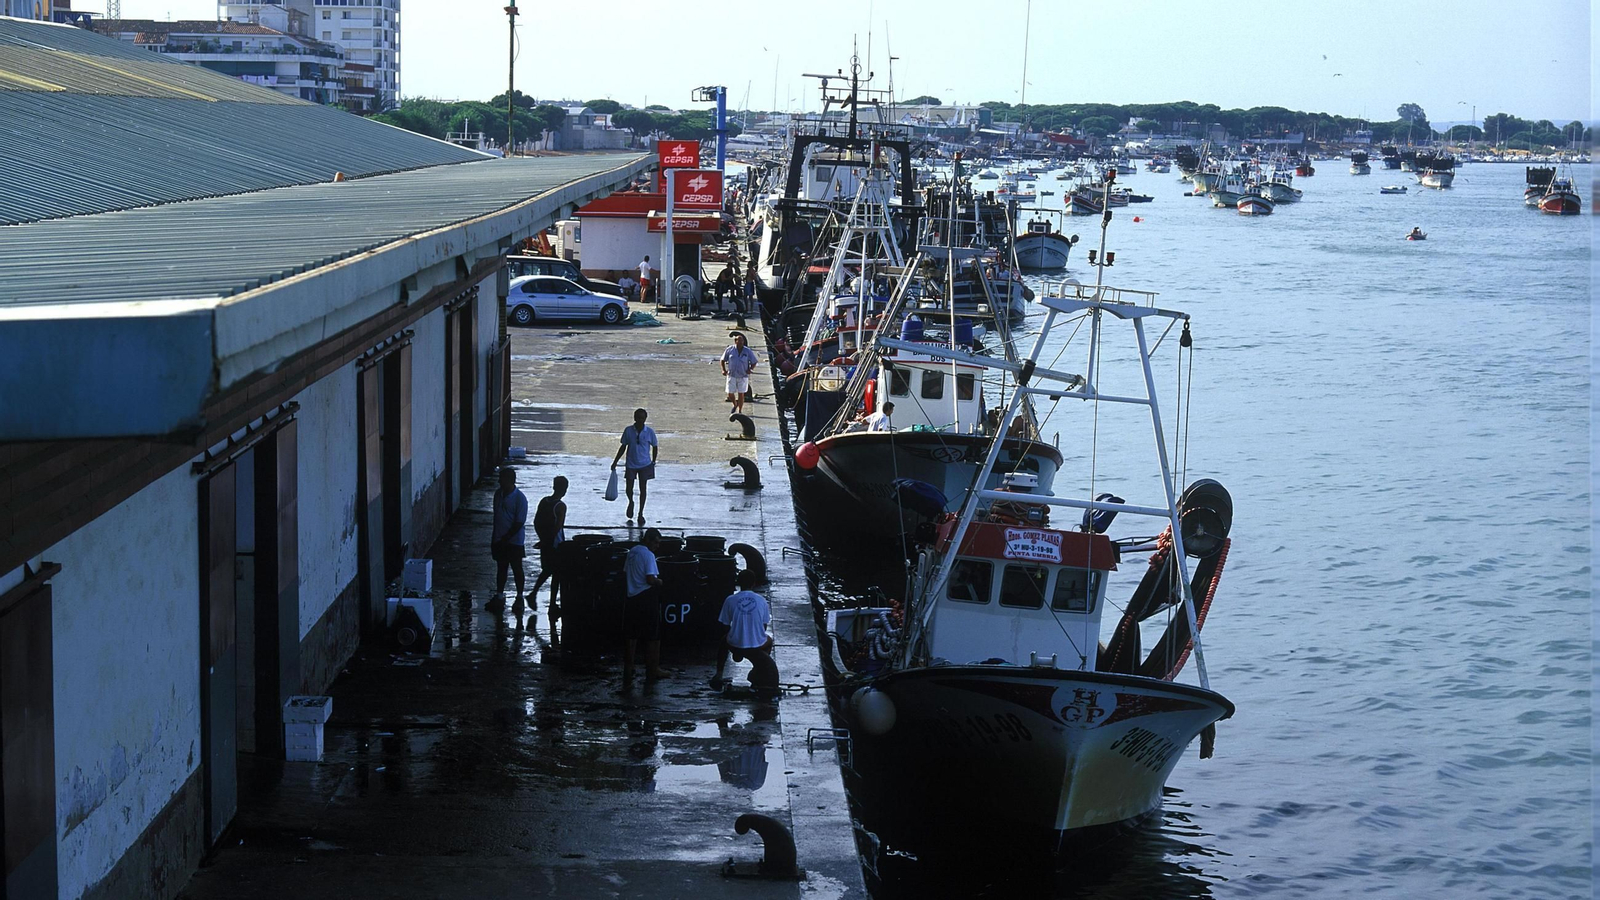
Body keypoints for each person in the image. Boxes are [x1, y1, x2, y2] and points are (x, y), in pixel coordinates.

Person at [712, 570, 778, 697]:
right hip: (756, 646)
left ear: (738, 583)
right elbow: (763, 626)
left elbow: (724, 625)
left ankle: (719, 673)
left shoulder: (730, 599)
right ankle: (758, 669)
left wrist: (736, 639)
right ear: (753, 584)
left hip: (734, 643)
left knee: (723, 641)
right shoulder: (761, 600)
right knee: (769, 641)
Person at [622, 528, 666, 683]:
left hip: (631, 596)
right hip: (646, 597)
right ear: (648, 540)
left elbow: (626, 572)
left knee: (631, 636)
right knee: (653, 636)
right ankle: (653, 669)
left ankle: (629, 667)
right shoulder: (648, 555)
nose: (657, 546)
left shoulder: (632, 552)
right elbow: (650, 579)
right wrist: (659, 582)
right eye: (656, 542)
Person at [488, 467, 528, 611]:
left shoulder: (520, 499)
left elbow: (519, 522)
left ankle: (519, 597)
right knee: (501, 568)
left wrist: (507, 537)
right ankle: (499, 595)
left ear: (510, 480)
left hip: (514, 541)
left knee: (517, 568)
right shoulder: (498, 494)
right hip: (499, 539)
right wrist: (496, 538)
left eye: (502, 479)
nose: (499, 481)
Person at [529, 476, 568, 622]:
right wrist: (548, 541)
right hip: (556, 544)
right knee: (556, 574)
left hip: (545, 541)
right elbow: (558, 528)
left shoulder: (544, 501)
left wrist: (542, 539)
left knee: (547, 569)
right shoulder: (560, 506)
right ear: (565, 489)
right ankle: (550, 603)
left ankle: (537, 595)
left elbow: (536, 521)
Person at [611, 408, 658, 525]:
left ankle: (641, 513)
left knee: (643, 489)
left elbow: (655, 446)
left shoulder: (649, 432)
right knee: (629, 488)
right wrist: (615, 461)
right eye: (637, 417)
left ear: (645, 419)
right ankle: (631, 501)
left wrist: (653, 461)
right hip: (631, 463)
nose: (639, 420)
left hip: (645, 464)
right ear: (634, 418)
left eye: (642, 418)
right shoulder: (628, 431)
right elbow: (623, 446)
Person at [721, 332, 760, 416]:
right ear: (735, 341)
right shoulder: (730, 349)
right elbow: (722, 360)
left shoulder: (747, 351)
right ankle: (735, 404)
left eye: (742, 341)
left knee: (741, 394)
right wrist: (723, 370)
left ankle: (740, 410)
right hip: (732, 374)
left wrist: (750, 369)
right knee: (730, 393)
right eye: (739, 341)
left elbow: (754, 361)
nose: (741, 343)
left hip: (743, 375)